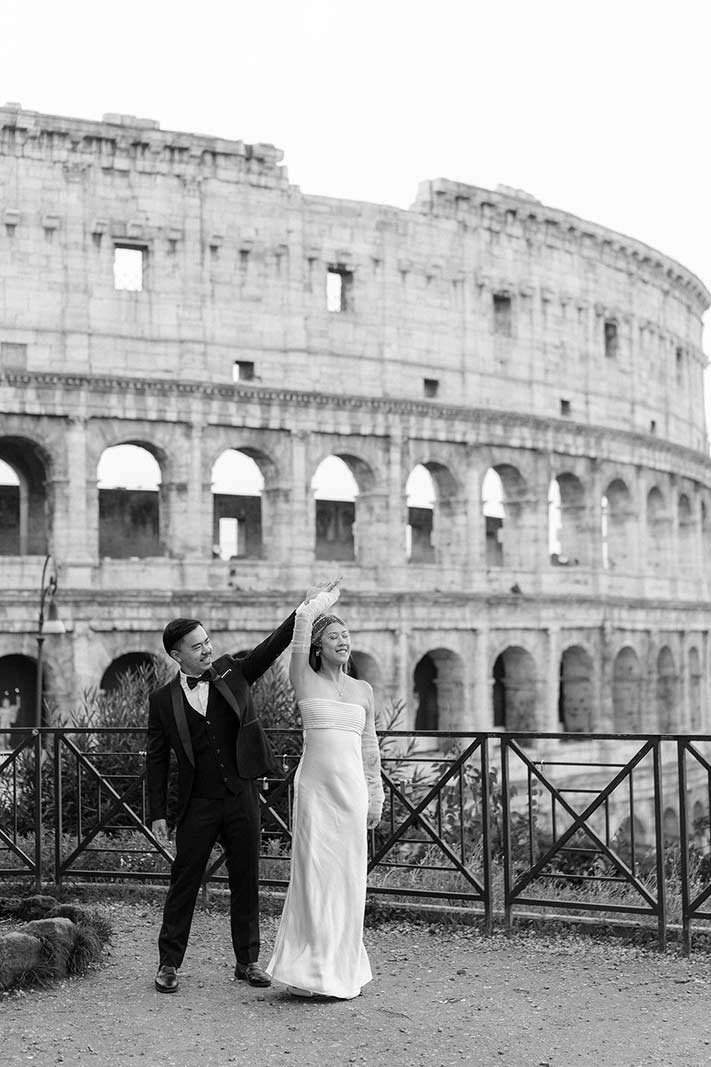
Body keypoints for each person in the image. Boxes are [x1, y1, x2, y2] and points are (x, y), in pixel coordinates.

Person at [146, 603, 300, 994]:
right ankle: (168, 964)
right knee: (184, 882)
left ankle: (247, 961)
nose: (207, 649)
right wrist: (158, 812)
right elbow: (158, 759)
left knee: (246, 879)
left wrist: (308, 608)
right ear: (177, 654)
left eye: (207, 641)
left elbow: (271, 646)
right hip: (198, 802)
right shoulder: (163, 700)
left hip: (241, 795)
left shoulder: (234, 672)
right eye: (197, 646)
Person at [266, 580, 384, 999]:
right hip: (315, 790)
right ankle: (308, 969)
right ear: (318, 646)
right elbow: (300, 624)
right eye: (334, 636)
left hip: (351, 793)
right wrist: (319, 604)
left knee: (348, 881)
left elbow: (370, 749)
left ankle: (341, 970)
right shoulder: (304, 678)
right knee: (313, 877)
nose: (342, 641)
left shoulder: (363, 691)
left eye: (346, 635)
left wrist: (376, 796)